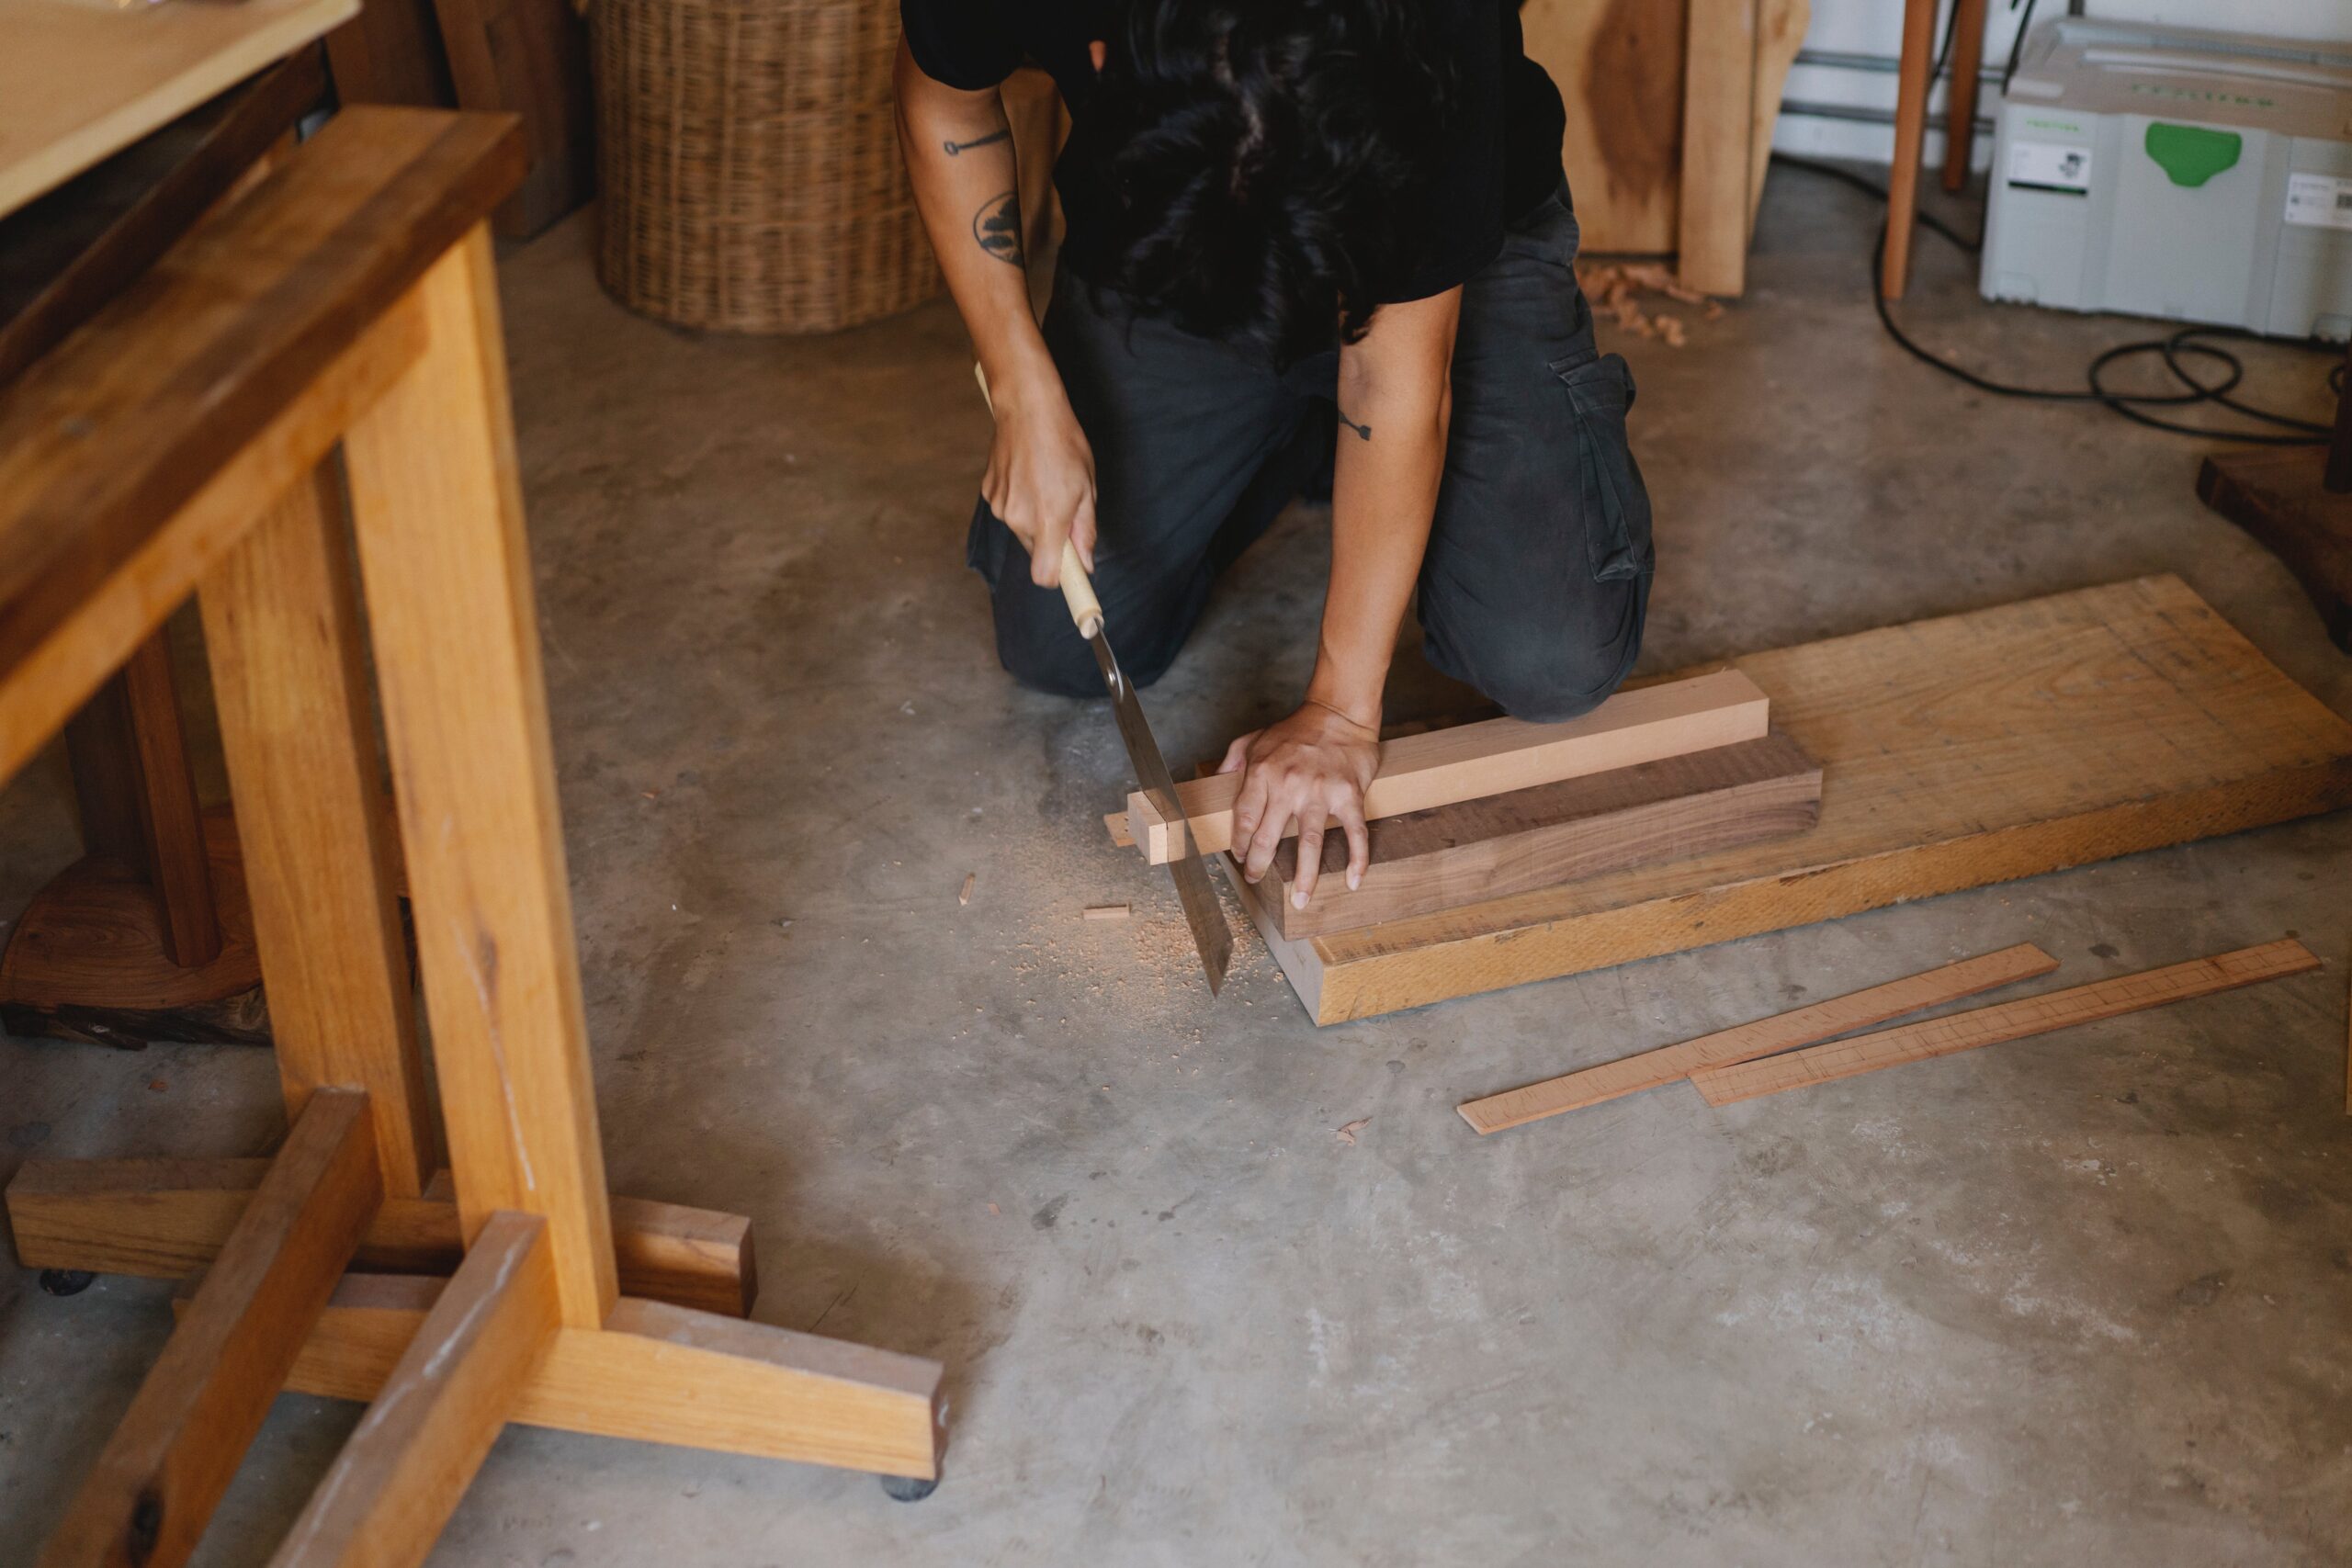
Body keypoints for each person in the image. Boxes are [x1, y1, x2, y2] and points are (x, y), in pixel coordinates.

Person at [894, 0, 1653, 910]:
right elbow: (944, 103)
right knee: (1059, 638)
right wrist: (1020, 381)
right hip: (1167, 224)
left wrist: (1340, 710)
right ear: (1102, 50)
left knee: (1548, 659)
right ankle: (1295, 438)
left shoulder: (1425, 35)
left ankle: (1325, 443)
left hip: (1424, 238)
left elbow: (1393, 383)